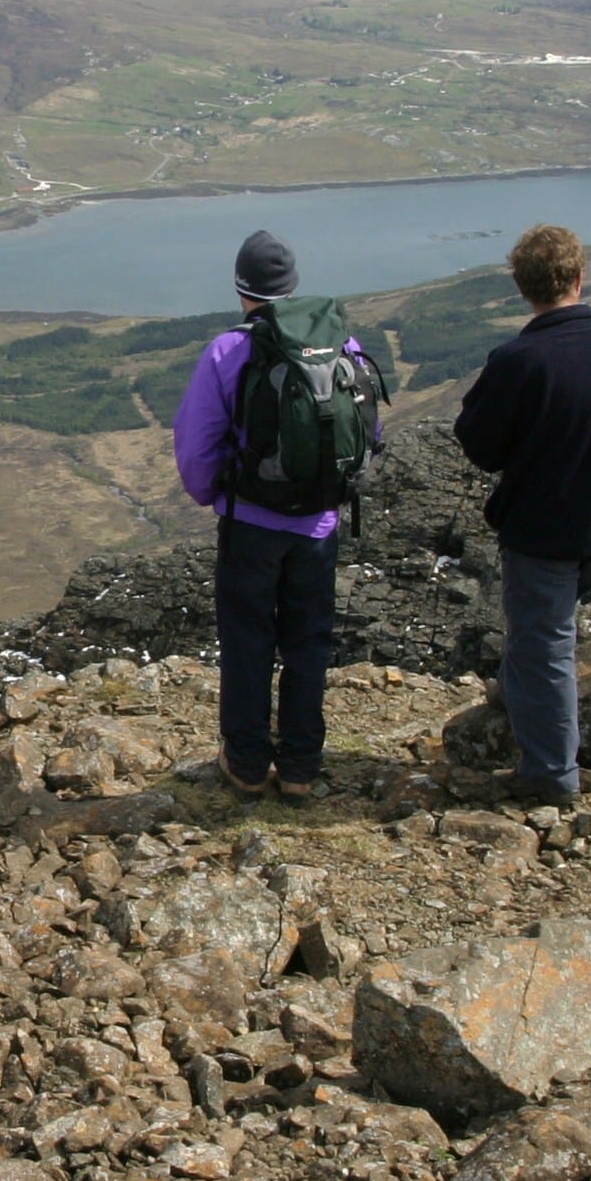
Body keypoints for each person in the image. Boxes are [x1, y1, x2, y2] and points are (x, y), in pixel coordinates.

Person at [453, 225, 591, 807]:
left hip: (544, 532)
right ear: (580, 277)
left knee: (546, 640)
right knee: (543, 632)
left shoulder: (518, 359)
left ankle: (551, 774)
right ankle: (525, 700)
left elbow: (479, 444)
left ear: (523, 289)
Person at [173, 230, 382, 798]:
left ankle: (244, 764)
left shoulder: (228, 350)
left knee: (248, 642)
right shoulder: (345, 345)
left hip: (251, 524)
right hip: (319, 525)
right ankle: (300, 769)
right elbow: (366, 431)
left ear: (242, 288)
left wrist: (214, 494)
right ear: (292, 286)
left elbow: (196, 447)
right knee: (308, 641)